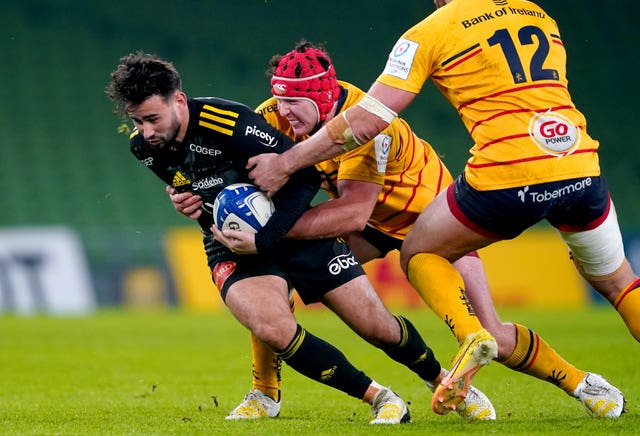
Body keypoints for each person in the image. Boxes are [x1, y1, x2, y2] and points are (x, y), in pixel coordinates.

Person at [171, 40, 625, 419]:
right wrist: (192, 193)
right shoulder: (270, 115)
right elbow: (236, 173)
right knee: (275, 283)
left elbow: (349, 212)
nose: (285, 112)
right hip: (372, 225)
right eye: (281, 98)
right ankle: (265, 393)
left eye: (296, 101)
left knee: (491, 334)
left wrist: (270, 232)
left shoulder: (365, 124)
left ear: (325, 97)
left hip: (438, 223)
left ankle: (585, 385)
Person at [105, 51, 496, 425]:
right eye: (139, 122)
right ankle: (377, 396)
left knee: (377, 326)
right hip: (232, 244)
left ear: (179, 100)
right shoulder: (145, 149)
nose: (147, 132)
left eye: (153, 118)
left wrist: (270, 234)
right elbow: (184, 184)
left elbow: (305, 174)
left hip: (289, 227)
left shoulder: (229, 121)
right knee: (272, 326)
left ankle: (440, 378)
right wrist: (184, 199)